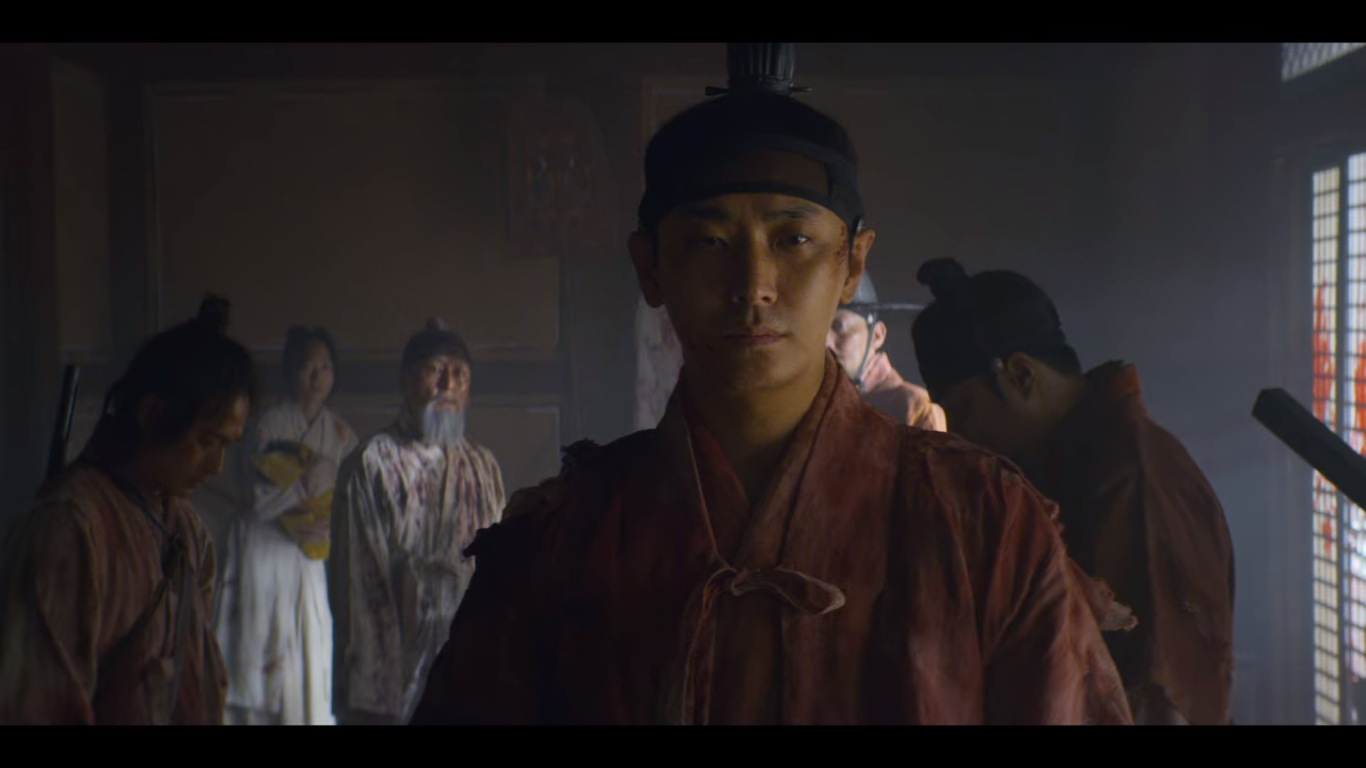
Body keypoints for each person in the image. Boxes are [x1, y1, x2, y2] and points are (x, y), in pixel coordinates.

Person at [411, 43, 1131, 726]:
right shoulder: (558, 543)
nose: (753, 284)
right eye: (709, 241)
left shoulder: (986, 525)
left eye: (793, 239)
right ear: (650, 267)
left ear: (851, 263)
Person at [910, 257, 1235, 725]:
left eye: (962, 410)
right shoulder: (1064, 467)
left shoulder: (1134, 479)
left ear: (1021, 376)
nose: (958, 434)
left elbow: (1160, 696)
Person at [0, 296, 257, 725]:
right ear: (153, 414)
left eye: (226, 446)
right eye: (207, 441)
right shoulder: (69, 527)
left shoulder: (187, 530)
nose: (216, 466)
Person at [328, 318, 507, 726]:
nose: (448, 385)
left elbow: (498, 572)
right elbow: (360, 588)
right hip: (397, 667)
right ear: (406, 380)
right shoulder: (372, 463)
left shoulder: (483, 466)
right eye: (434, 370)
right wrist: (374, 695)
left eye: (459, 374)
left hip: (468, 657)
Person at [215, 326, 358, 726]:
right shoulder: (268, 426)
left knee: (309, 649)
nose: (317, 376)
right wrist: (307, 484)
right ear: (290, 370)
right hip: (263, 547)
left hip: (310, 556)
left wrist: (329, 526)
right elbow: (256, 498)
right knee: (258, 643)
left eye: (325, 366)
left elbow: (351, 501)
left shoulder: (342, 434)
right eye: (307, 366)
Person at [827, 271, 945, 430]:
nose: (825, 342)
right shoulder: (813, 405)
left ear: (877, 335)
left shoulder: (914, 409)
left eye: (838, 326)